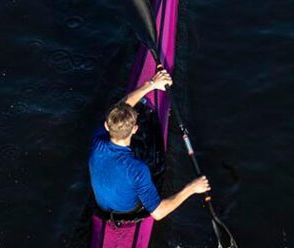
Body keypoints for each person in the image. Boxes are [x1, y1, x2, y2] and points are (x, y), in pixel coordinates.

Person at [88, 66, 210, 221]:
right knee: (151, 139)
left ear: (107, 125)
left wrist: (152, 84)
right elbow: (158, 213)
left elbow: (118, 108)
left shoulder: (96, 141)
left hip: (101, 209)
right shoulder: (138, 169)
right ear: (135, 129)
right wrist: (192, 188)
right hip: (130, 213)